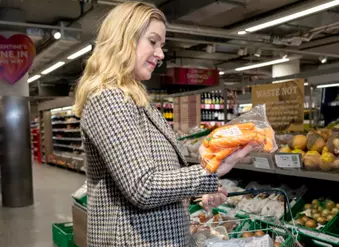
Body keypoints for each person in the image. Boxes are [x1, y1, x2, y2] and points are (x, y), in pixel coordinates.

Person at [73, 2, 237, 246]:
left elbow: (159, 174)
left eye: (161, 45)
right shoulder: (108, 99)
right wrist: (210, 172)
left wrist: (197, 194)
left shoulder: (136, 100)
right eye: (153, 41)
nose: (160, 54)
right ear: (124, 39)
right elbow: (143, 186)